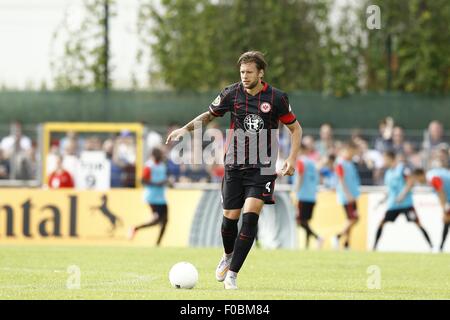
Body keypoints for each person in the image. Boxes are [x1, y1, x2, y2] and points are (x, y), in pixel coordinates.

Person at [166, 51, 302, 290]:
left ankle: (233, 275)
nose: (245, 76)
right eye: (242, 72)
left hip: (263, 166)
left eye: (249, 72)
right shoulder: (232, 93)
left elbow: (296, 129)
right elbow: (209, 115)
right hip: (234, 165)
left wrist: (291, 158)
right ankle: (228, 255)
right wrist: (185, 130)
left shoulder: (277, 98)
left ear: (260, 73)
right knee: (230, 220)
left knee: (251, 216)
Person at [373, 151, 433, 251]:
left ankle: (432, 247)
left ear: (390, 158)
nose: (383, 161)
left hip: (406, 204)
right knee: (381, 223)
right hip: (393, 205)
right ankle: (374, 247)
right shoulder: (388, 173)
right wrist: (383, 200)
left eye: (385, 159)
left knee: (418, 223)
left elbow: (410, 181)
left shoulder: (402, 169)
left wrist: (402, 195)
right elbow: (390, 189)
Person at [128, 148, 169, 246]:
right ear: (154, 156)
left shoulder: (162, 166)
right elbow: (142, 181)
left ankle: (158, 244)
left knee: (165, 220)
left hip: (162, 197)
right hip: (152, 197)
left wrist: (166, 182)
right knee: (156, 220)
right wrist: (156, 183)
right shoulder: (149, 166)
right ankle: (135, 228)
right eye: (159, 155)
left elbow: (162, 179)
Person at [413, 167, 450, 252]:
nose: (418, 182)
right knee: (447, 222)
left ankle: (440, 248)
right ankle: (441, 248)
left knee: (447, 220)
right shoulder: (432, 174)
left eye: (417, 179)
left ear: (421, 175)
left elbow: (441, 192)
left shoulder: (432, 178)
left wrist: (444, 210)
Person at [332, 142, 360, 250]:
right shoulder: (340, 163)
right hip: (347, 196)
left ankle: (346, 244)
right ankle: (337, 236)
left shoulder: (350, 163)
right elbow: (341, 179)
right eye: (354, 151)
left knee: (350, 219)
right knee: (354, 218)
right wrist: (347, 194)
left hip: (352, 195)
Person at [295, 143, 323, 249]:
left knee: (300, 221)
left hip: (303, 194)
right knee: (306, 221)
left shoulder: (301, 161)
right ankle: (306, 246)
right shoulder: (312, 163)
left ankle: (317, 237)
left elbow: (300, 177)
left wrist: (296, 190)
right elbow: (318, 179)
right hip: (312, 195)